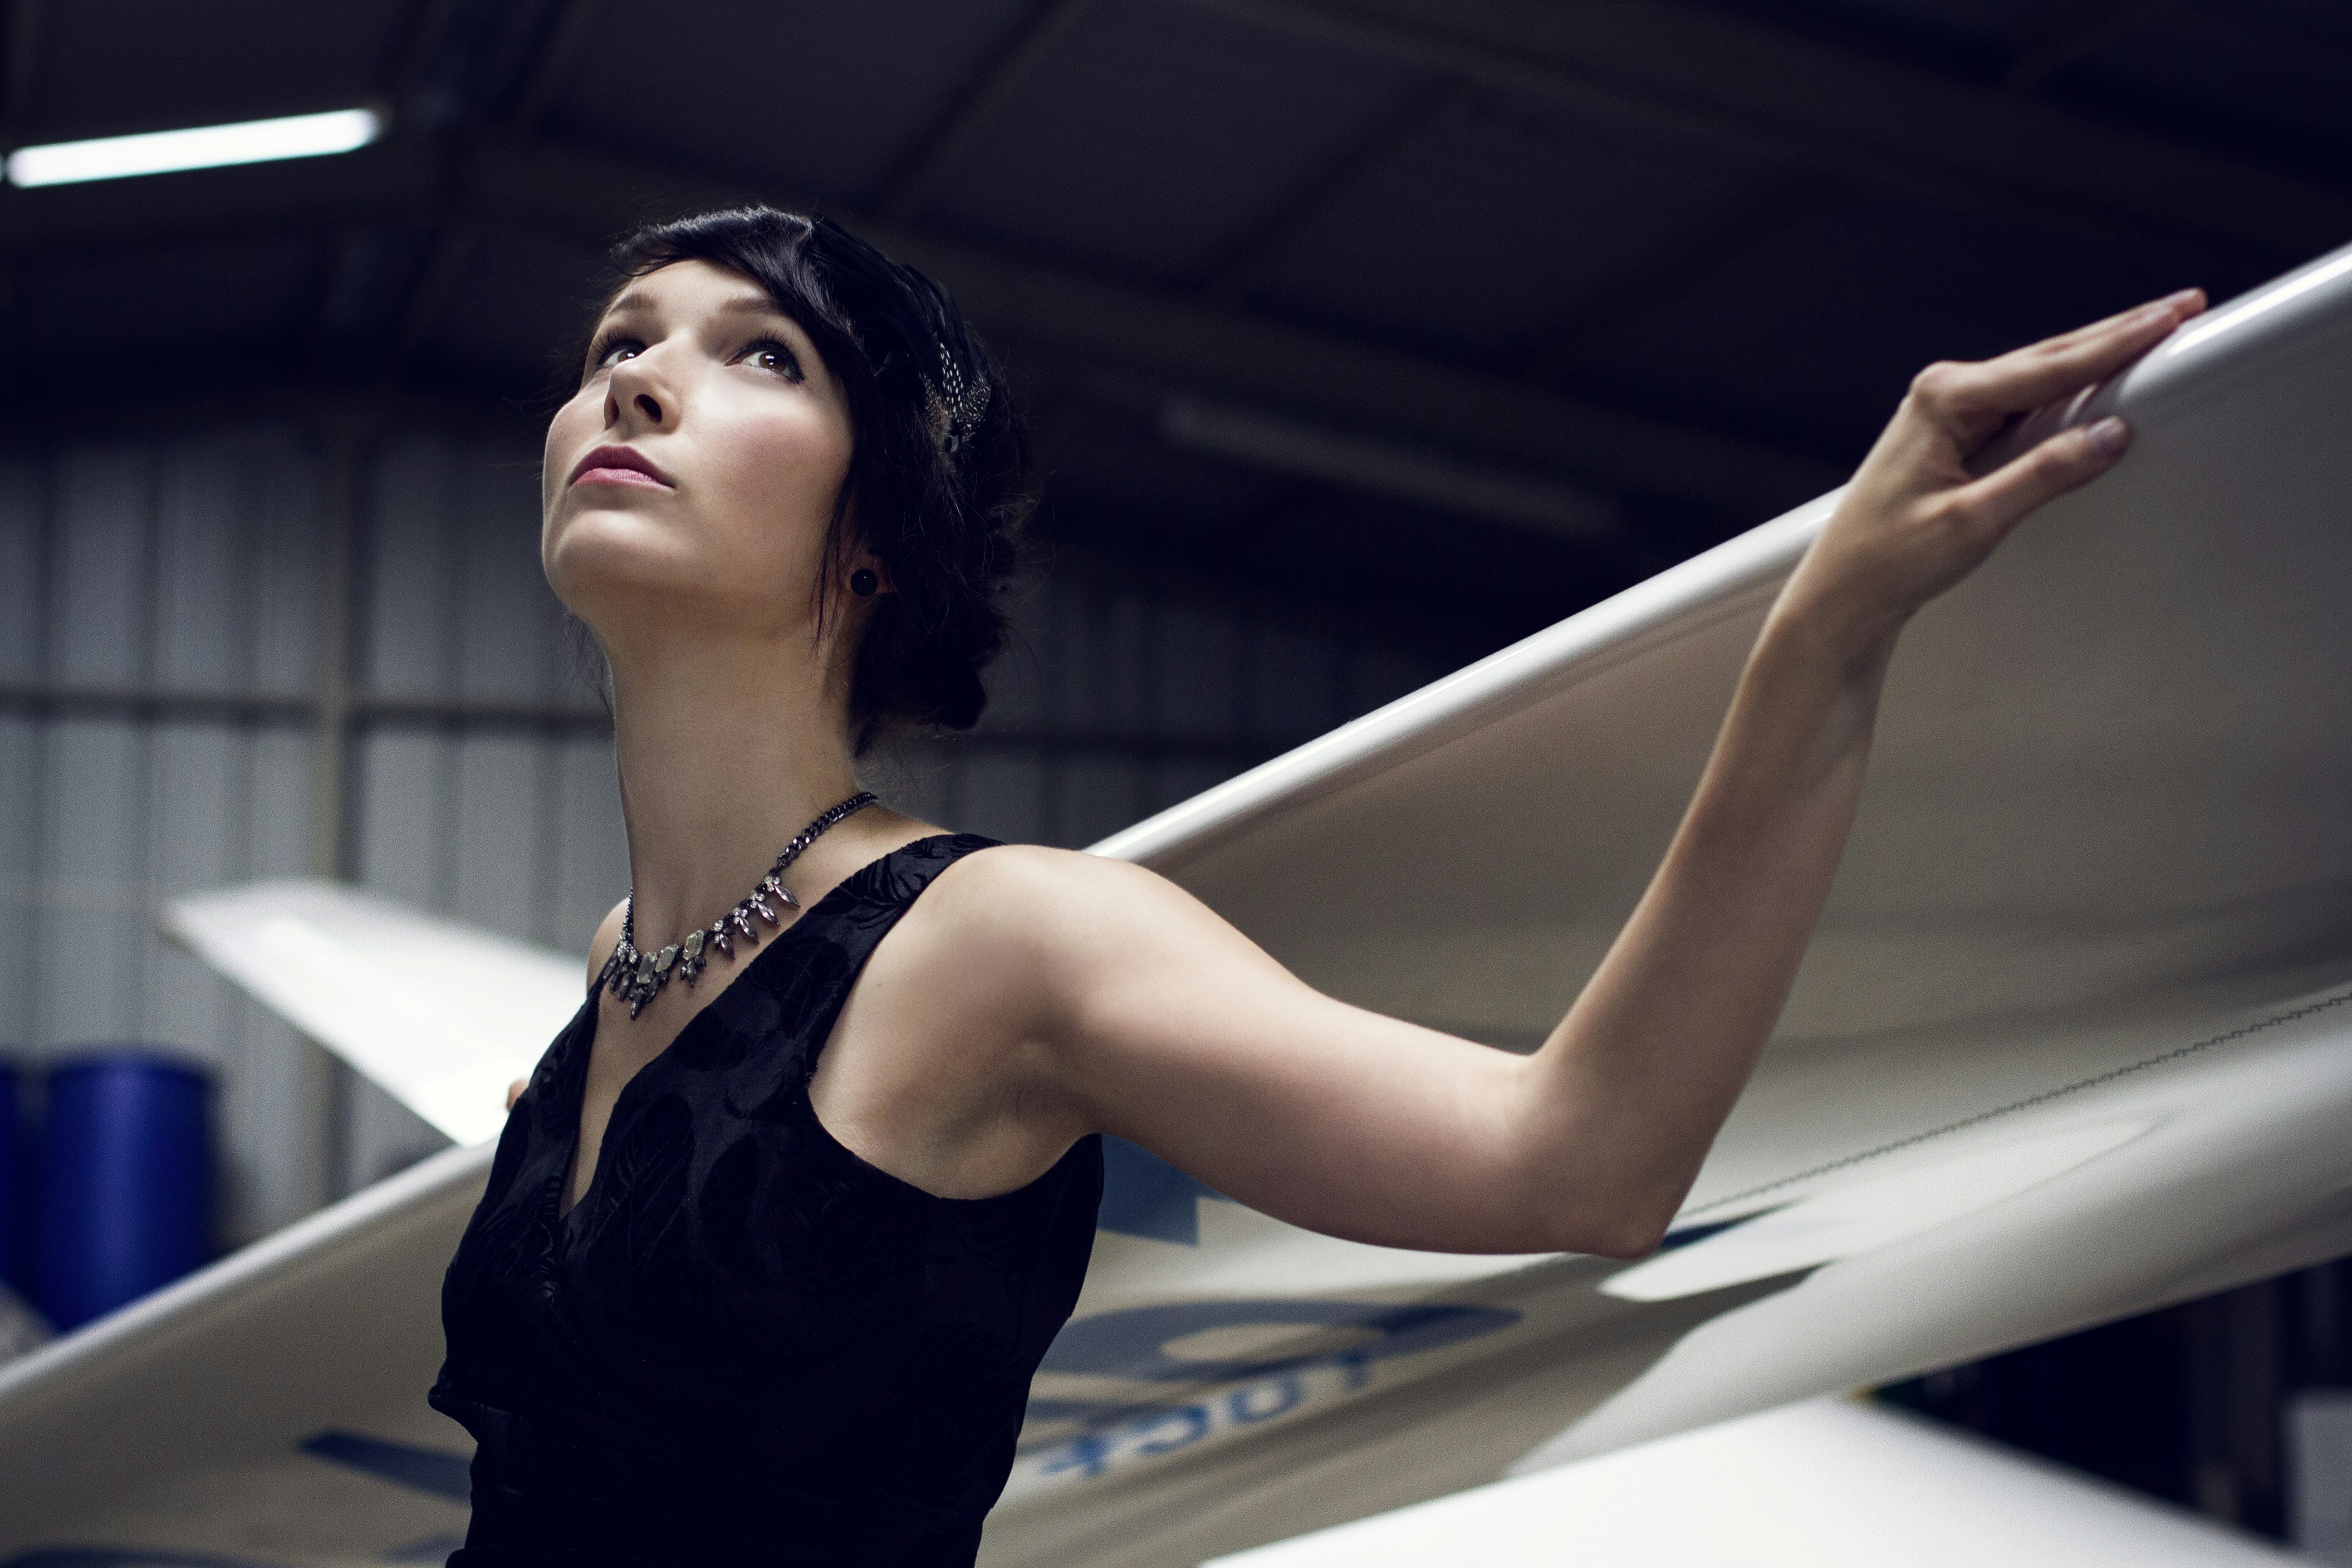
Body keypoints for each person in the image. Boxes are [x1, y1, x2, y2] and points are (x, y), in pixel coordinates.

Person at [427, 205, 2204, 1564]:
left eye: (762, 356)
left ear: (878, 530)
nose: (635, 379)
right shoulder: (621, 978)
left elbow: (1583, 1162)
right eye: (618, 341)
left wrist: (1820, 636)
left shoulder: (1006, 945)